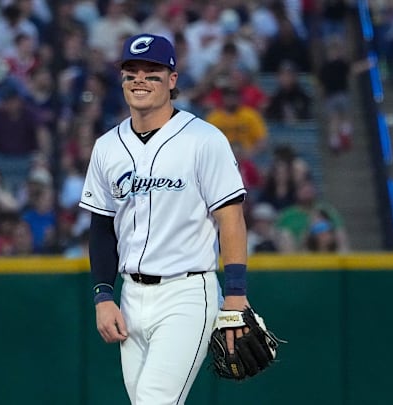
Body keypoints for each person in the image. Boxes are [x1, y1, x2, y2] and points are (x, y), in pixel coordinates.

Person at [79, 33, 252, 405]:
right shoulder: (107, 146)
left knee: (154, 400)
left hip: (187, 292)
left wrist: (236, 294)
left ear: (172, 79)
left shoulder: (204, 139)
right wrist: (103, 295)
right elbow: (101, 227)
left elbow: (231, 219)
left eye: (152, 71)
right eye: (131, 70)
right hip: (131, 297)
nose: (140, 79)